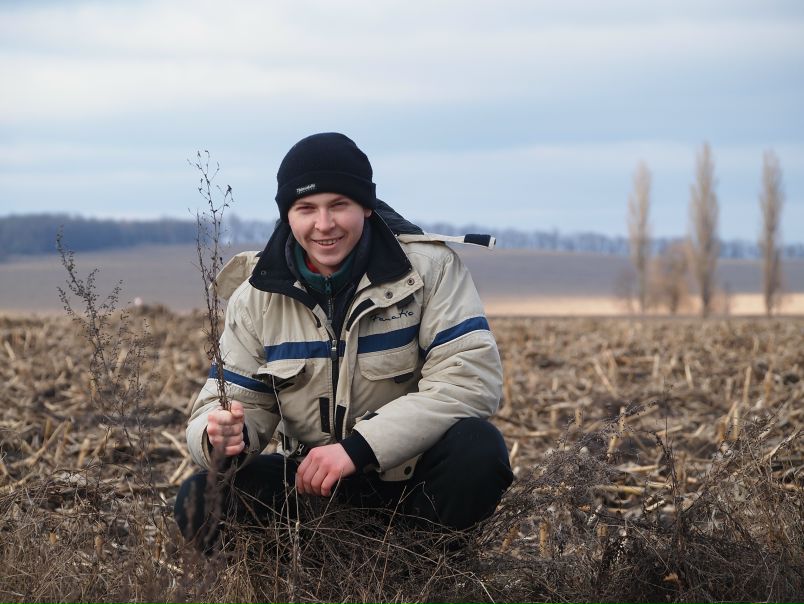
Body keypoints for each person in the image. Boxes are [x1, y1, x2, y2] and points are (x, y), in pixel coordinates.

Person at [174, 132, 513, 549]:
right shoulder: (256, 297)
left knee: (479, 449)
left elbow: (469, 383)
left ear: (366, 206)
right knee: (201, 500)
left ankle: (422, 568)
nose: (323, 224)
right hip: (312, 489)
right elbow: (228, 402)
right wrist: (223, 437)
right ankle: (308, 575)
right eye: (306, 209)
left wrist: (359, 449)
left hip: (410, 485)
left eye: (339, 205)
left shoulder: (431, 270)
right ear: (287, 215)